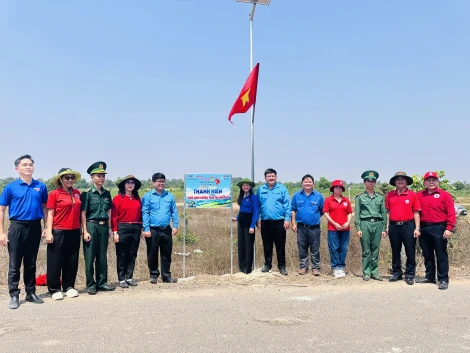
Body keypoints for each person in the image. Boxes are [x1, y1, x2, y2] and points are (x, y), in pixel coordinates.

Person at [0, 154, 48, 309]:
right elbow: (2, 210)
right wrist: (1, 232)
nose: (28, 167)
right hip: (17, 227)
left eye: (30, 164)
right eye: (24, 165)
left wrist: (47, 226)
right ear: (17, 168)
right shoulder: (10, 187)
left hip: (35, 226)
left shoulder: (40, 186)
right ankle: (14, 294)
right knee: (14, 263)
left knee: (31, 262)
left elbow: (45, 208)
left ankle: (30, 292)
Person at [45, 168, 82, 300]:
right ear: (61, 179)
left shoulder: (77, 193)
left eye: (72, 178)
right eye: (67, 178)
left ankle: (69, 286)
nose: (70, 180)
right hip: (59, 230)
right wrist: (49, 232)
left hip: (74, 231)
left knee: (72, 260)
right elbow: (50, 214)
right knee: (55, 261)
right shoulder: (55, 194)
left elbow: (81, 213)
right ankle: (54, 289)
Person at [416, 171, 456, 290]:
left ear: (438, 182)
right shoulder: (419, 195)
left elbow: (451, 213)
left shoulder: (445, 195)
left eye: (433, 180)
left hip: (439, 227)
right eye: (428, 180)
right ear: (424, 182)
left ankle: (443, 278)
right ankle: (430, 276)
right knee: (427, 253)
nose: (431, 182)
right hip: (424, 227)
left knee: (441, 254)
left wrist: (449, 228)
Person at [80, 161, 115, 295]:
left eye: (103, 176)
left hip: (104, 226)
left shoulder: (107, 193)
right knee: (90, 257)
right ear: (92, 177)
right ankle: (91, 284)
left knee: (102, 256)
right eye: (98, 175)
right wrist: (85, 230)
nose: (101, 178)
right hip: (91, 225)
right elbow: (83, 213)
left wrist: (110, 228)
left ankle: (102, 283)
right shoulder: (87, 194)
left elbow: (109, 212)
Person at [142, 173, 179, 284]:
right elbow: (145, 213)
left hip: (166, 229)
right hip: (152, 230)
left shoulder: (170, 196)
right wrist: (146, 228)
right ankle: (153, 275)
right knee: (152, 253)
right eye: (158, 181)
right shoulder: (147, 196)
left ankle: (166, 276)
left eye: (163, 181)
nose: (161, 183)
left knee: (166, 253)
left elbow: (174, 212)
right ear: (153, 182)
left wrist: (175, 225)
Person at [385, 172, 421, 285]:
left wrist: (417, 228)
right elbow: (388, 212)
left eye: (403, 179)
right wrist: (387, 226)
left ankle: (410, 275)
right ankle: (397, 273)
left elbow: (416, 212)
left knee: (410, 250)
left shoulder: (412, 195)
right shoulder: (389, 195)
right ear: (394, 182)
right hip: (394, 226)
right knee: (395, 250)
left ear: (406, 182)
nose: (400, 181)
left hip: (408, 226)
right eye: (398, 179)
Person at [256, 168, 291, 275]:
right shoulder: (261, 189)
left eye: (273, 176)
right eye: (269, 176)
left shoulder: (282, 188)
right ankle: (267, 264)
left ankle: (282, 266)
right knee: (267, 245)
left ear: (276, 177)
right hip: (265, 221)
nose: (271, 178)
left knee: (280, 245)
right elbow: (257, 206)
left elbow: (287, 205)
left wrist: (287, 219)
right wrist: (258, 219)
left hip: (279, 221)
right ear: (265, 178)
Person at [354, 170, 387, 281]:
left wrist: (383, 228)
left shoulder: (380, 197)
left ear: (375, 183)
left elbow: (383, 213)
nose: (371, 182)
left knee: (376, 249)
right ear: (364, 183)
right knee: (366, 250)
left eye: (373, 181)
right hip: (365, 224)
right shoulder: (360, 197)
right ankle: (366, 272)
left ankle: (375, 272)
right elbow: (357, 214)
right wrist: (358, 228)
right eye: (368, 181)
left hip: (377, 224)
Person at [112, 175, 143, 288]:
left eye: (132, 183)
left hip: (136, 227)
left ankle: (129, 277)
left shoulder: (137, 198)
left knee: (132, 253)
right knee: (121, 254)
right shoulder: (117, 198)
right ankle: (121, 278)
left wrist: (142, 228)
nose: (130, 184)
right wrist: (115, 232)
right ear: (124, 185)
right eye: (128, 182)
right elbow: (114, 217)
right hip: (122, 228)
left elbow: (141, 214)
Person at [291, 174, 324, 276]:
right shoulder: (296, 196)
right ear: (302, 184)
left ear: (313, 184)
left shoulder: (319, 196)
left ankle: (315, 268)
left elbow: (322, 211)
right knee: (302, 248)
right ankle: (303, 267)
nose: (307, 183)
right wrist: (293, 223)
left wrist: (313, 218)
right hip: (301, 227)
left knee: (315, 248)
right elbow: (293, 210)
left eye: (309, 182)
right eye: (305, 182)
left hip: (314, 228)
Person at [323, 180, 353, 278]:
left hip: (345, 229)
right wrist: (335, 223)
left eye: (340, 188)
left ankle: (341, 267)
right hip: (333, 228)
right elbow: (326, 213)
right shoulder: (328, 200)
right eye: (336, 187)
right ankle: (335, 267)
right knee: (334, 248)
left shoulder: (346, 200)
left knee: (343, 248)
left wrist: (348, 222)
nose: (338, 189)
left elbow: (349, 213)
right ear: (333, 189)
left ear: (342, 189)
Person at [231, 178, 259, 274]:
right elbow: (241, 210)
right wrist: (237, 218)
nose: (245, 187)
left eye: (247, 185)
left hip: (249, 222)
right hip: (241, 222)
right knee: (241, 244)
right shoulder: (242, 196)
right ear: (241, 187)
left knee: (248, 245)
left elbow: (255, 212)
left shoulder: (253, 197)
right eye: (243, 185)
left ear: (250, 187)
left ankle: (248, 268)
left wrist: (252, 226)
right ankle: (241, 267)